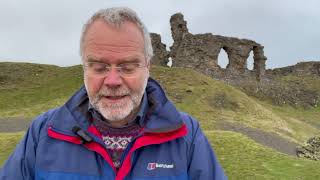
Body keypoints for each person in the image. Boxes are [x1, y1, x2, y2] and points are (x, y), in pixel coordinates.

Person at [0, 7, 227, 180]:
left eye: (127, 67)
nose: (113, 81)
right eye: (99, 68)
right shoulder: (43, 132)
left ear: (148, 66)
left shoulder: (187, 136)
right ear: (84, 67)